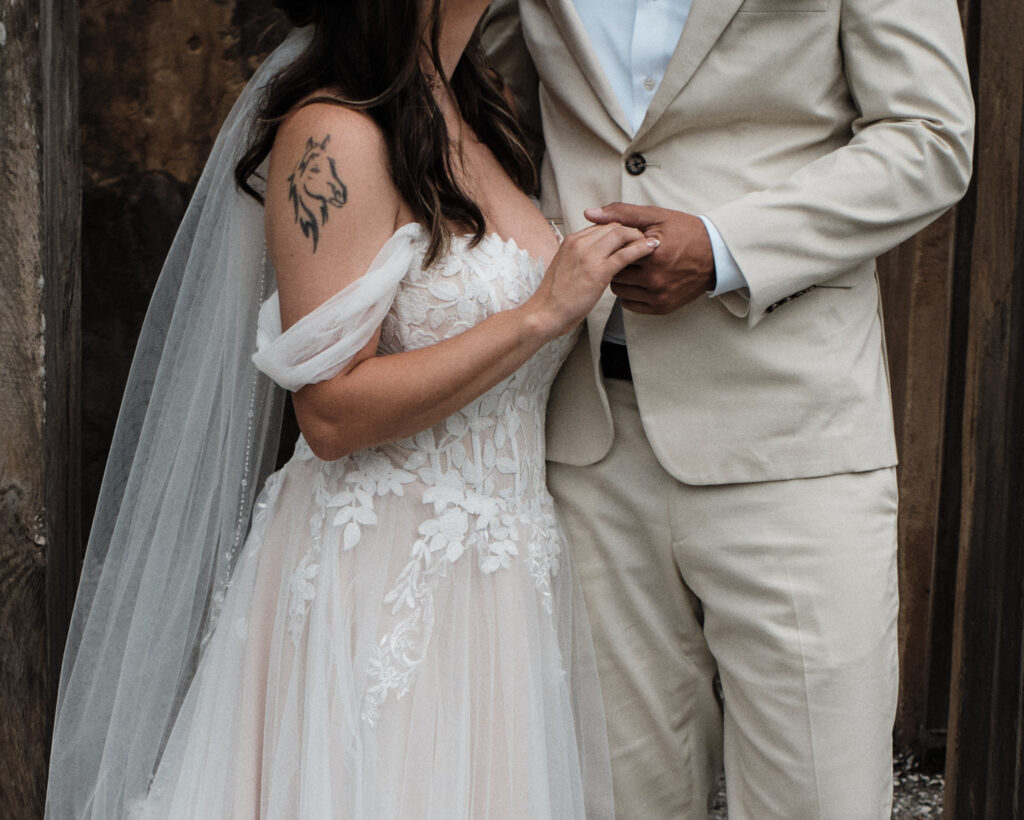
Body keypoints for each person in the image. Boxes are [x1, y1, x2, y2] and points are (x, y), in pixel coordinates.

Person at [45, 1, 658, 817]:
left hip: (504, 581)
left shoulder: (483, 106)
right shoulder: (334, 136)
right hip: (374, 577)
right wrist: (539, 315)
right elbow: (329, 412)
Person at [483, 0, 974, 817]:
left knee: (820, 798)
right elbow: (462, 78)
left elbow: (928, 136)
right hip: (580, 438)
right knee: (611, 799)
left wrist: (724, 246)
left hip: (791, 431)